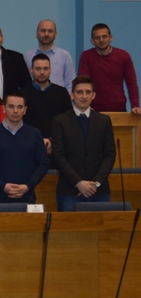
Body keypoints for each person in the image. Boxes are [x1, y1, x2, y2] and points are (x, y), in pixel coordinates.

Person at [51, 76, 117, 211]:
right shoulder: (59, 121)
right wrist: (78, 182)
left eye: (88, 92)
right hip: (69, 191)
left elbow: (110, 154)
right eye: (79, 92)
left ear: (93, 95)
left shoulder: (104, 121)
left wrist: (96, 183)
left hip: (99, 191)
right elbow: (58, 156)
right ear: (72, 95)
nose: (84, 96)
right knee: (69, 225)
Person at [0, 91, 49, 204]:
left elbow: (43, 164)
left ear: (25, 110)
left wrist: (28, 186)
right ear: (3, 109)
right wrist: (3, 186)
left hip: (26, 196)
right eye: (11, 106)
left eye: (19, 107)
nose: (15, 111)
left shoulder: (35, 134)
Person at [78, 23, 141, 114]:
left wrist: (135, 105)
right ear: (92, 41)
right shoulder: (86, 56)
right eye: (97, 37)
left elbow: (132, 83)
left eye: (104, 36)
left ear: (110, 38)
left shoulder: (123, 56)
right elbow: (83, 83)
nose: (101, 40)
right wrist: (86, 106)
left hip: (119, 109)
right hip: (94, 110)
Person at [20, 54, 72, 154]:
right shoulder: (22, 94)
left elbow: (68, 122)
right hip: (28, 146)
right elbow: (19, 122)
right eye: (38, 68)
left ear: (50, 70)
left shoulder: (62, 93)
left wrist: (52, 141)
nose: (42, 72)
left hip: (57, 146)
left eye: (45, 68)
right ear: (31, 70)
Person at [23, 20, 75, 92]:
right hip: (33, 97)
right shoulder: (28, 56)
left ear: (55, 34)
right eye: (43, 31)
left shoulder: (64, 55)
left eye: (50, 31)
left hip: (58, 97)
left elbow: (70, 82)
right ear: (37, 33)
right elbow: (24, 82)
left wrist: (66, 97)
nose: (46, 34)